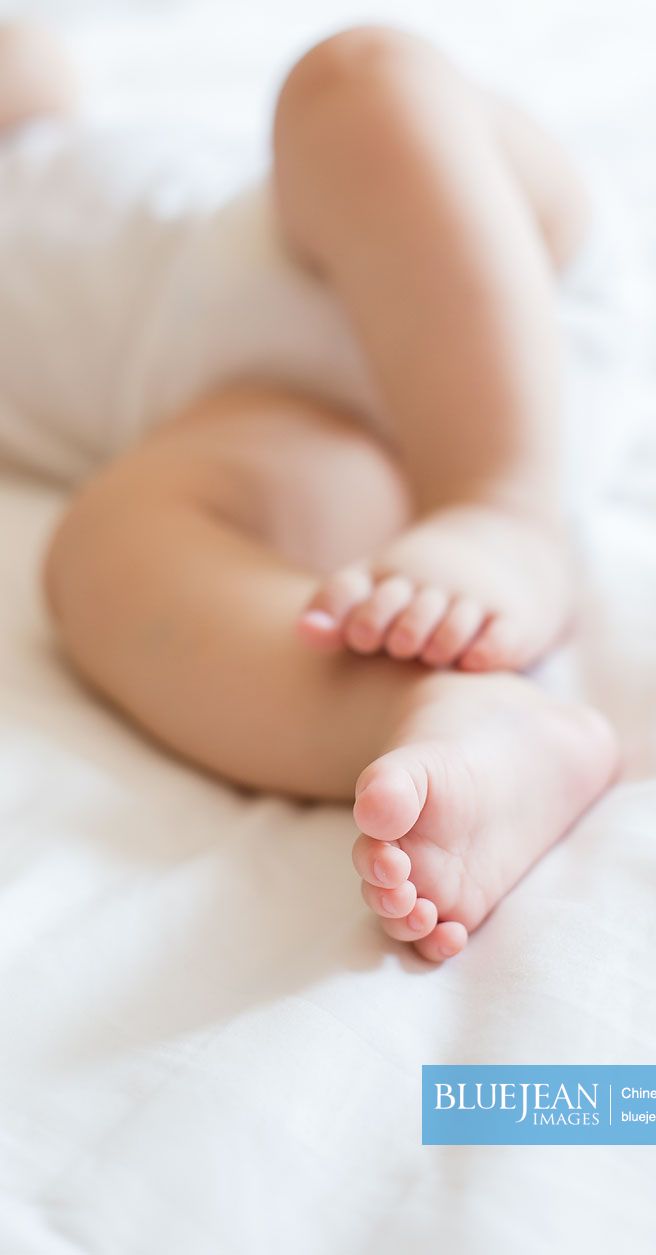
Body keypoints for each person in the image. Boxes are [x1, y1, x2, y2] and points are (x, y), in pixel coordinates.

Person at [0, 21, 619, 962]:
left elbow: (27, 59)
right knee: (105, 551)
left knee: (357, 84)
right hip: (278, 424)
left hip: (442, 257)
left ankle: (503, 503)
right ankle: (445, 717)